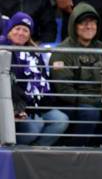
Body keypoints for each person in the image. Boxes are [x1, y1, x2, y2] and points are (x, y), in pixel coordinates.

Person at [0, 12, 69, 146]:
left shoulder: (34, 53)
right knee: (34, 128)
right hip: (14, 105)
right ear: (9, 30)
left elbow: (44, 81)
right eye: (17, 28)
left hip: (34, 105)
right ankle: (15, 154)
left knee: (61, 120)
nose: (21, 33)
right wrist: (17, 108)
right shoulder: (2, 48)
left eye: (25, 30)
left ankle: (34, 155)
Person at [49, 2, 102, 146]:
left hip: (100, 102)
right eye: (83, 23)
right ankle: (76, 150)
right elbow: (64, 91)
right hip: (72, 104)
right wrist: (95, 102)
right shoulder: (62, 52)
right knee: (90, 112)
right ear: (74, 26)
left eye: (93, 22)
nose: (89, 27)